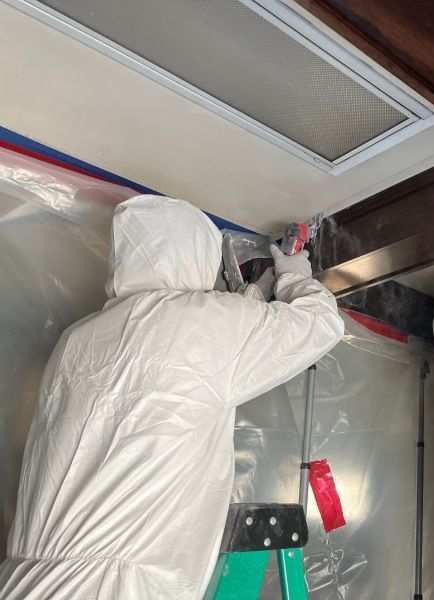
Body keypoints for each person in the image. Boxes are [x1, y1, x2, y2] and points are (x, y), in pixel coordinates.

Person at [0, 196, 344, 599]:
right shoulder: (201, 323)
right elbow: (319, 324)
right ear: (196, 256)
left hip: (28, 578)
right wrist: (293, 274)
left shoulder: (76, 340)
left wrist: (242, 310)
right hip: (110, 588)